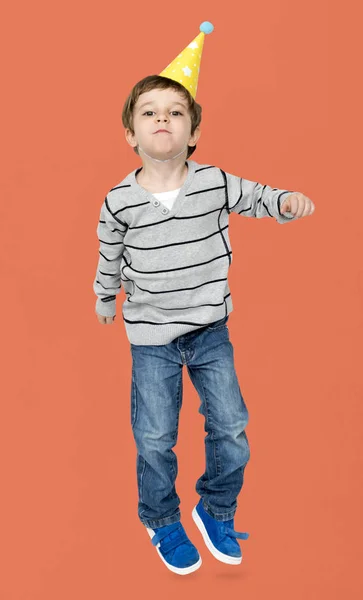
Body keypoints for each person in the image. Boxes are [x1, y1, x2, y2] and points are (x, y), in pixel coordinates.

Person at [93, 23, 315, 576]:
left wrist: (284, 202)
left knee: (232, 428)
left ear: (192, 132)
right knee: (154, 437)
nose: (162, 118)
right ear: (130, 134)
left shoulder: (214, 182)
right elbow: (109, 254)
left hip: (210, 327)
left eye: (175, 111)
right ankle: (161, 518)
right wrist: (104, 297)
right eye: (149, 112)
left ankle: (215, 507)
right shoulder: (119, 200)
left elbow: (257, 196)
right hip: (150, 337)